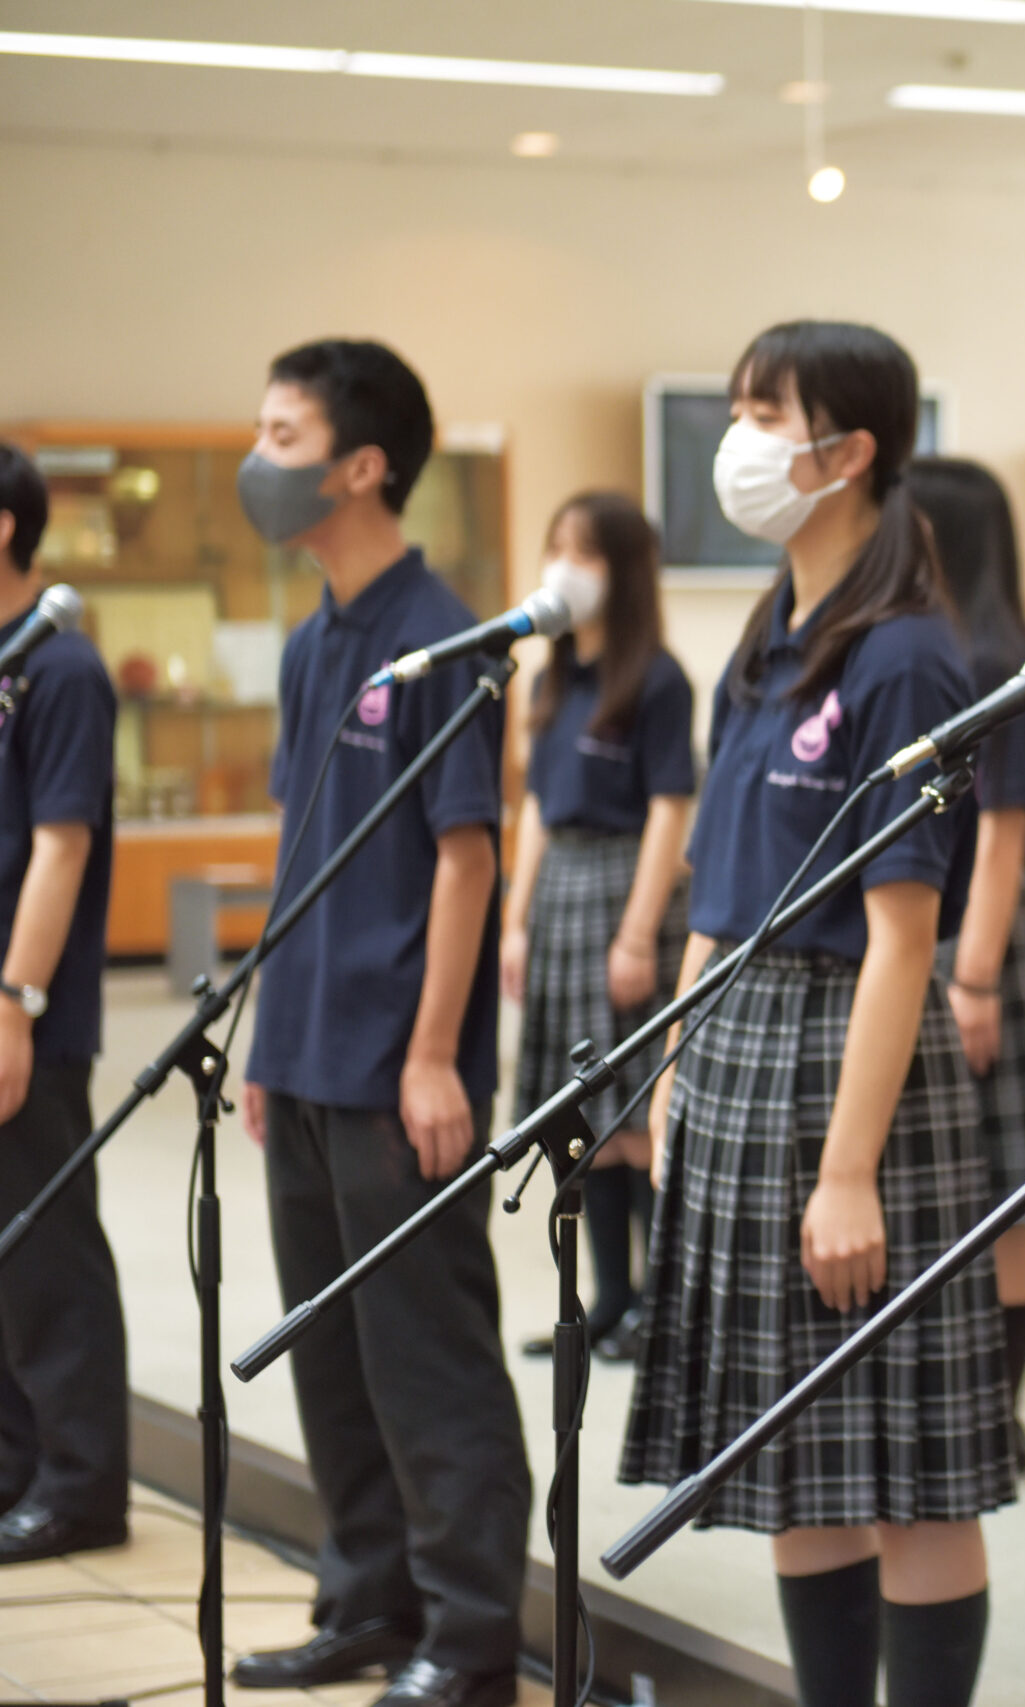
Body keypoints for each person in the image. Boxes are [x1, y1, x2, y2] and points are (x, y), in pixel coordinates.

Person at [619, 320, 1011, 1707]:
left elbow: (908, 933)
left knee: (905, 1457)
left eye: (763, 411)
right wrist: (671, 1069)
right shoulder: (770, 631)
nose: (738, 438)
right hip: (735, 1040)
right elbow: (714, 901)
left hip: (850, 1064)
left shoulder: (906, 657)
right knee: (794, 1442)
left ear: (848, 451)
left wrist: (850, 1168)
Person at [232, 341, 529, 1707]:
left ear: (362, 464)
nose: (260, 455)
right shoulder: (311, 640)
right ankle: (365, 1598)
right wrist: (260, 1033)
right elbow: (303, 850)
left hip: (396, 1065)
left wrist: (429, 1053)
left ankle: (468, 1634)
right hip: (299, 1049)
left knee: (426, 1356)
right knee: (330, 1348)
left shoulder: (444, 635)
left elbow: (468, 857)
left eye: (282, 432)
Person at [909, 455, 1025, 1471]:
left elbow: (1004, 834)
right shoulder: (924, 646)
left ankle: (997, 1412)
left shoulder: (994, 657)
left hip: (983, 943)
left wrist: (970, 977)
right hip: (928, 940)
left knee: (998, 1193)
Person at [499, 491, 694, 1364]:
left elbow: (668, 806)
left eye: (585, 552)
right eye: (556, 547)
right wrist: (515, 917)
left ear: (626, 569)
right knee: (582, 1112)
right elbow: (536, 804)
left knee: (635, 1111)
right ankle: (607, 1299)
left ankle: (656, 1302)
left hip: (625, 885)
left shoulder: (657, 676)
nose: (564, 568)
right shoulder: (550, 677)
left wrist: (638, 930)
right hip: (559, 889)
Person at [0, 440, 126, 1566]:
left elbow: (60, 844)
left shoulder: (62, 668)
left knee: (47, 1248)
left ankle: (82, 1484)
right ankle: (15, 1467)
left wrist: (13, 1002)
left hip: (26, 1014)